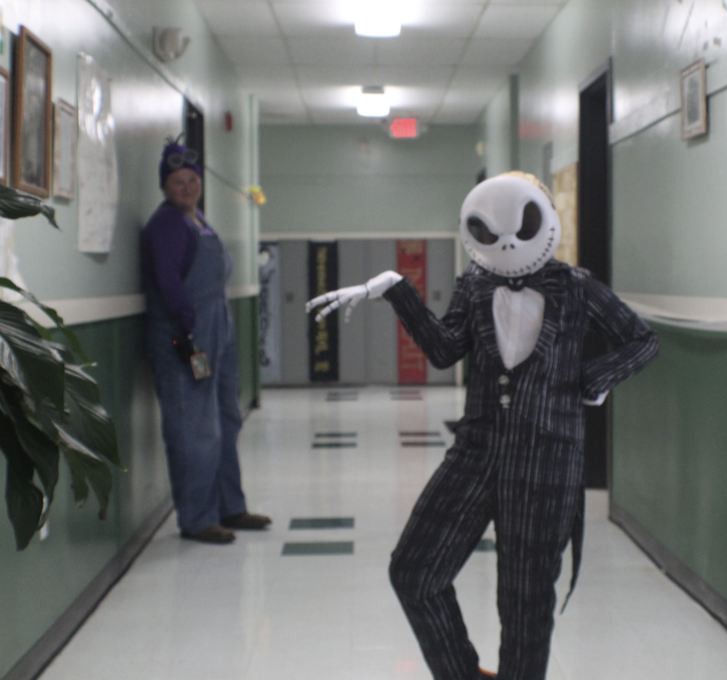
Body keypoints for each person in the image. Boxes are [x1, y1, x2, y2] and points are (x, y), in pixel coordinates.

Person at [307, 172, 659, 679]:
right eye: (492, 231)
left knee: (525, 603)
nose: (509, 241)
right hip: (476, 451)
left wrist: (595, 379)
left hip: (548, 460)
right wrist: (396, 291)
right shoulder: (474, 283)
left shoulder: (577, 287)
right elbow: (445, 348)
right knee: (415, 570)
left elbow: (641, 340)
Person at [141, 137, 271, 544]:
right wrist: (187, 328)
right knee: (194, 428)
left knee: (226, 420)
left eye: (191, 180)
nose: (187, 187)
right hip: (186, 334)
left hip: (220, 327)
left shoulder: (199, 220)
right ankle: (198, 518)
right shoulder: (166, 225)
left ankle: (230, 506)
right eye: (177, 181)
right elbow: (167, 281)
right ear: (164, 186)